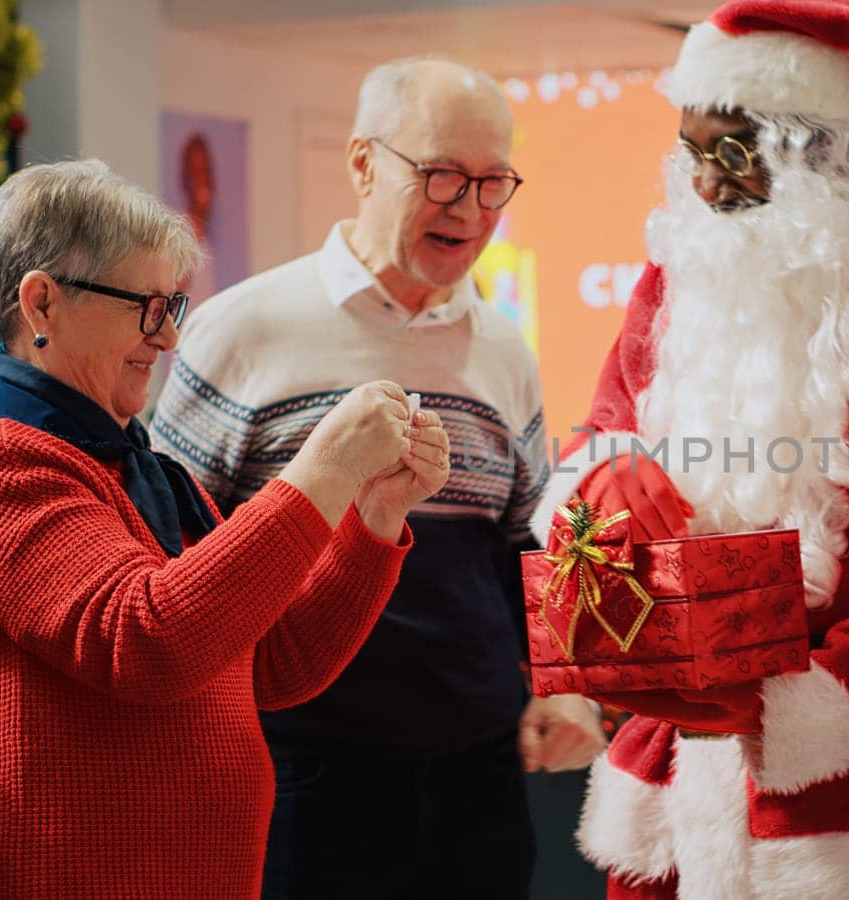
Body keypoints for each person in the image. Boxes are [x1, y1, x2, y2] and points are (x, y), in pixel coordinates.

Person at [537, 2, 849, 896]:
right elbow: (604, 432)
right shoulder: (673, 281)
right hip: (673, 798)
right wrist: (600, 481)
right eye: (689, 152)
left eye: (729, 154)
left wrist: (800, 707)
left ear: (817, 149)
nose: (704, 187)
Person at [0, 159, 451, 898]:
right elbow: (147, 642)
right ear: (41, 303)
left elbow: (273, 663)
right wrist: (322, 470)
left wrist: (375, 517)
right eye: (145, 307)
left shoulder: (147, 476)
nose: (165, 341)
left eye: (172, 307)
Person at [151, 57, 603, 899]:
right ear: (363, 163)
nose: (469, 209)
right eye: (440, 175)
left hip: (479, 778)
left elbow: (529, 549)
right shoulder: (242, 330)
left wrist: (568, 687)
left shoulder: (504, 349)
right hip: (297, 773)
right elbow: (166, 550)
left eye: (493, 181)